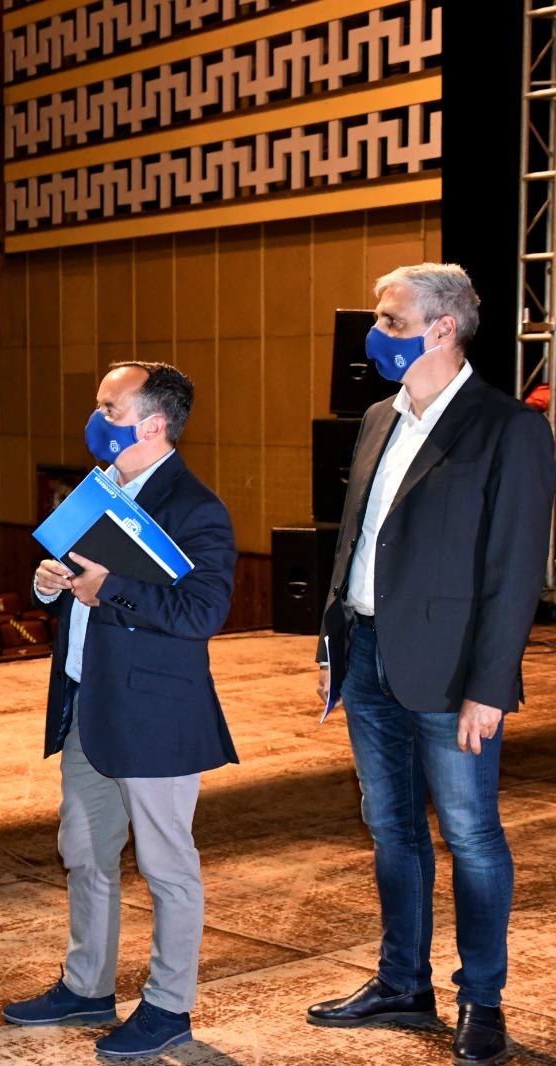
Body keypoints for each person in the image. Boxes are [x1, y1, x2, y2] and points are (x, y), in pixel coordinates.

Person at [307, 263, 556, 1066]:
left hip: (453, 674)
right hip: (370, 652)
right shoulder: (380, 415)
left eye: (391, 319)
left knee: (473, 836)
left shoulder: (507, 427)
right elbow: (351, 540)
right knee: (390, 829)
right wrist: (331, 646)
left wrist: (492, 686)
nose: (375, 334)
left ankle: (481, 1001)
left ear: (442, 328)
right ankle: (401, 983)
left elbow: (515, 571)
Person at [2, 362, 236, 1060]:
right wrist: (52, 583)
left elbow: (203, 612)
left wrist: (112, 588)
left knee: (167, 868)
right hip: (87, 703)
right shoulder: (97, 493)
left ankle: (168, 1007)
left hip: (156, 715)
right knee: (84, 854)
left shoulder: (196, 507)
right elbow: (72, 585)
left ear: (153, 424)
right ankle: (87, 987)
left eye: (110, 407)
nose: (97, 417)